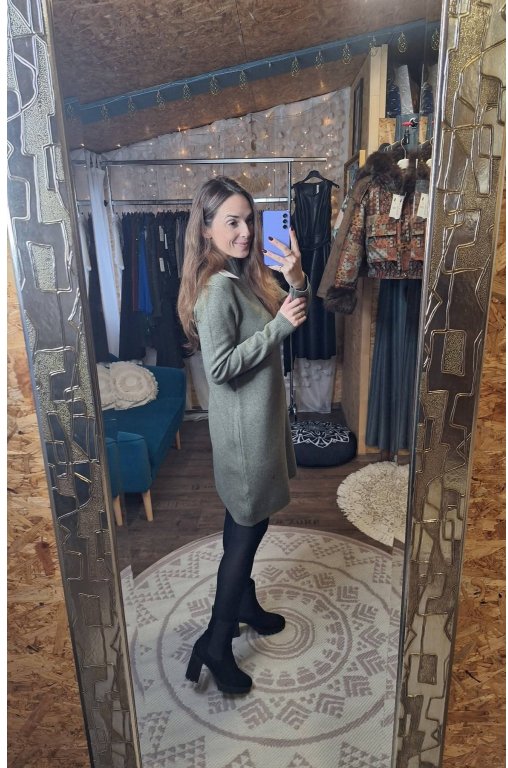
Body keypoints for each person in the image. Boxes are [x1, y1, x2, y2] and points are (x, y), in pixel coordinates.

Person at [175, 176, 309, 694]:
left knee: (246, 527)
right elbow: (220, 368)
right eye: (232, 222)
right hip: (244, 437)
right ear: (205, 228)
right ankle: (216, 642)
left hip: (258, 424)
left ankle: (245, 604)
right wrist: (277, 328)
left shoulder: (242, 277)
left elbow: (290, 316)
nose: (246, 231)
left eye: (249, 220)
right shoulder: (216, 290)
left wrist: (295, 279)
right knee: (246, 534)